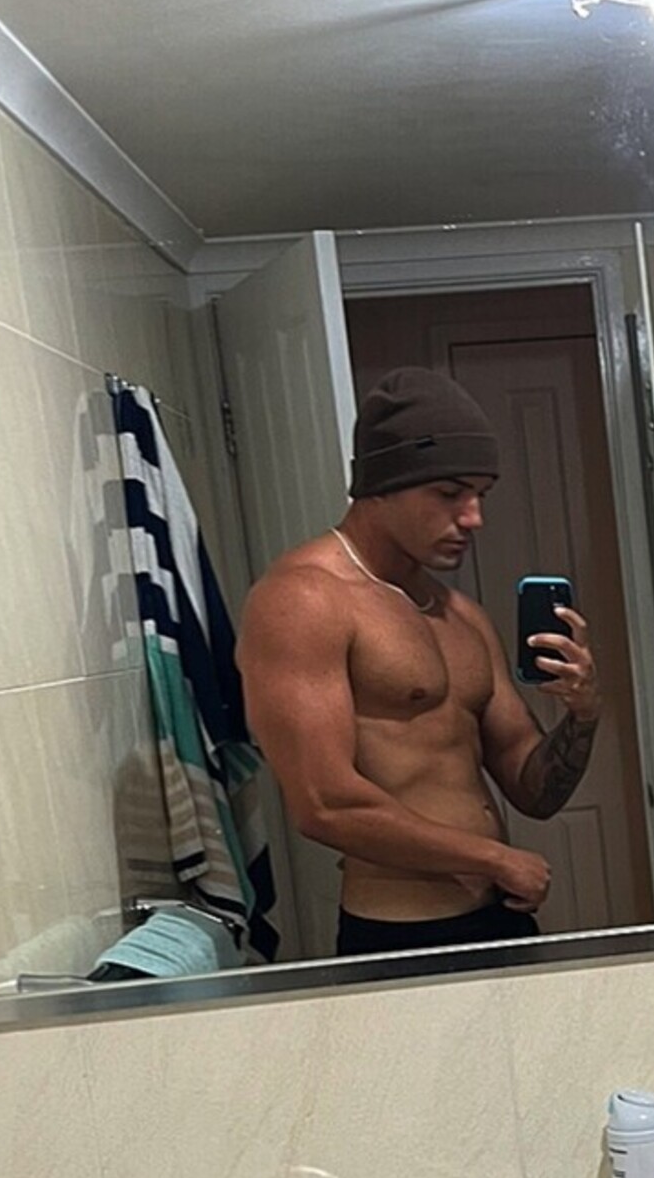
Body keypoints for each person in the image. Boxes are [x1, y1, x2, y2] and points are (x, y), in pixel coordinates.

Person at [237, 365, 602, 956]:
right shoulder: (303, 600)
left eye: (480, 495)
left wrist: (583, 713)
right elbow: (324, 805)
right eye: (450, 493)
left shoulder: (461, 615)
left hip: (502, 918)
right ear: (381, 485)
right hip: (402, 939)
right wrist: (493, 858)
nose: (474, 517)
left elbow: (535, 792)